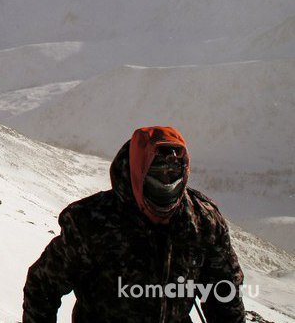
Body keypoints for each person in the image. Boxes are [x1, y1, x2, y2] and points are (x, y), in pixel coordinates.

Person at [23, 126, 245, 322]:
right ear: (137, 173)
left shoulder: (203, 221)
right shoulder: (92, 222)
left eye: (173, 174)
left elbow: (223, 292)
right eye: (157, 174)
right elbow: (42, 284)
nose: (167, 183)